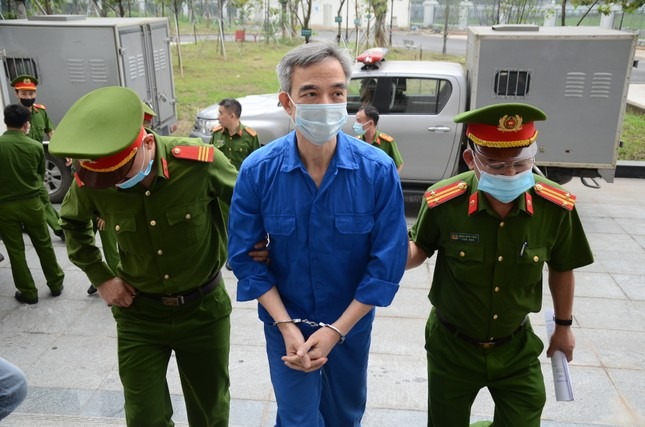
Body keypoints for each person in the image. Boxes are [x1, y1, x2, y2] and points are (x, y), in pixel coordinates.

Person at [228, 41, 409, 427]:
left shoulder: (377, 171)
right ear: (287, 102)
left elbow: (386, 264)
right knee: (297, 418)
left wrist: (337, 331)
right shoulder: (259, 171)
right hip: (285, 323)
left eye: (336, 93)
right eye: (310, 93)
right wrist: (286, 326)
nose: (326, 103)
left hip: (350, 324)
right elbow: (244, 258)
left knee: (344, 416)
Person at [49, 86, 240, 426]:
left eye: (122, 175)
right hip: (140, 314)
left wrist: (257, 248)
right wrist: (101, 277)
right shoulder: (94, 178)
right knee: (143, 416)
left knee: (210, 411)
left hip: (203, 311)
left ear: (148, 143)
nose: (114, 185)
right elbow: (73, 224)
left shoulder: (199, 164)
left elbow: (249, 204)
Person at [406, 103, 595, 427]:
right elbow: (418, 249)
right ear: (471, 159)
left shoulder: (555, 207)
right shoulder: (444, 201)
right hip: (452, 345)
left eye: (520, 164)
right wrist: (387, 252)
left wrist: (563, 327)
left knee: (523, 417)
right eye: (496, 165)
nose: (510, 174)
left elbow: (563, 266)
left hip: (515, 344)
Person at [0, 104, 65, 304]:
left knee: (15, 250)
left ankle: (28, 291)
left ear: (5, 122)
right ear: (26, 124)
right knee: (44, 244)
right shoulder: (35, 146)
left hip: (5, 206)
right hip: (32, 203)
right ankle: (55, 283)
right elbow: (39, 174)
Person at [11, 75, 65, 241]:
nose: (28, 97)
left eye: (31, 93)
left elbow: (51, 133)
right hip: (22, 162)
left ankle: (23, 222)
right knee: (41, 195)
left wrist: (63, 152)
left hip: (39, 162)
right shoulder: (13, 115)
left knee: (30, 197)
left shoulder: (41, 112)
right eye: (24, 94)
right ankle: (59, 228)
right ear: (17, 94)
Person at [208, 98, 260, 171]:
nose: (218, 117)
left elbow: (256, 164)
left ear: (232, 116)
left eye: (221, 113)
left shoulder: (250, 137)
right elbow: (209, 158)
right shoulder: (217, 134)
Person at [353, 105, 404, 173]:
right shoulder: (356, 142)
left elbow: (399, 164)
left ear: (370, 123)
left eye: (359, 121)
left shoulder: (386, 142)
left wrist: (392, 178)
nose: (355, 124)